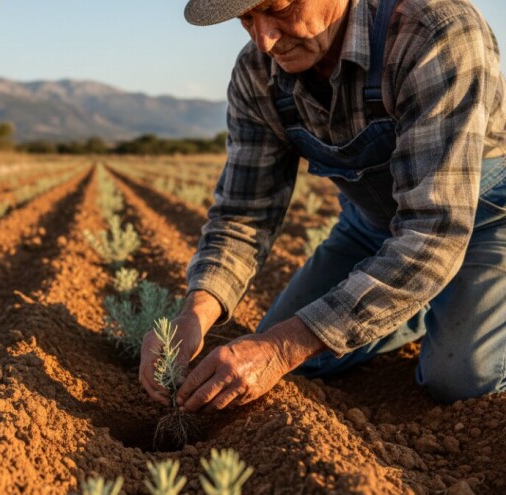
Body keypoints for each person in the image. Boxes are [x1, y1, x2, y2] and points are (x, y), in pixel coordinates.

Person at [139, 0, 506, 411]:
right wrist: (195, 312)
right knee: (291, 352)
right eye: (246, 19)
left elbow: (434, 231)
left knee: (460, 379)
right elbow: (244, 212)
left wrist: (281, 348)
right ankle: (412, 300)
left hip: (484, 221)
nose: (265, 39)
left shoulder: (432, 32)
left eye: (279, 8)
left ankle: (438, 298)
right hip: (372, 227)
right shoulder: (256, 73)